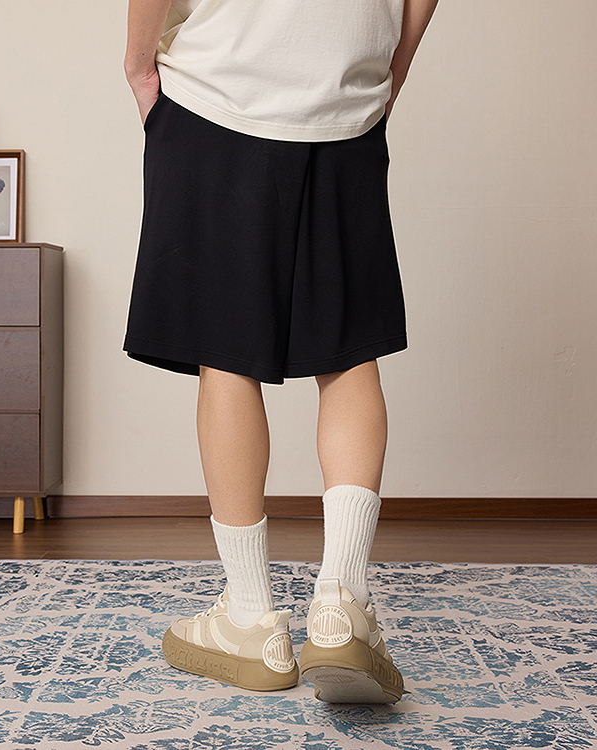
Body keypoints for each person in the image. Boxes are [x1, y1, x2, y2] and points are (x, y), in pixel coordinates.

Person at [123, 0, 439, 703]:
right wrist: (386, 73)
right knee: (348, 348)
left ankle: (249, 619)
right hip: (346, 97)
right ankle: (340, 606)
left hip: (218, 89)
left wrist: (138, 64)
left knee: (225, 350)